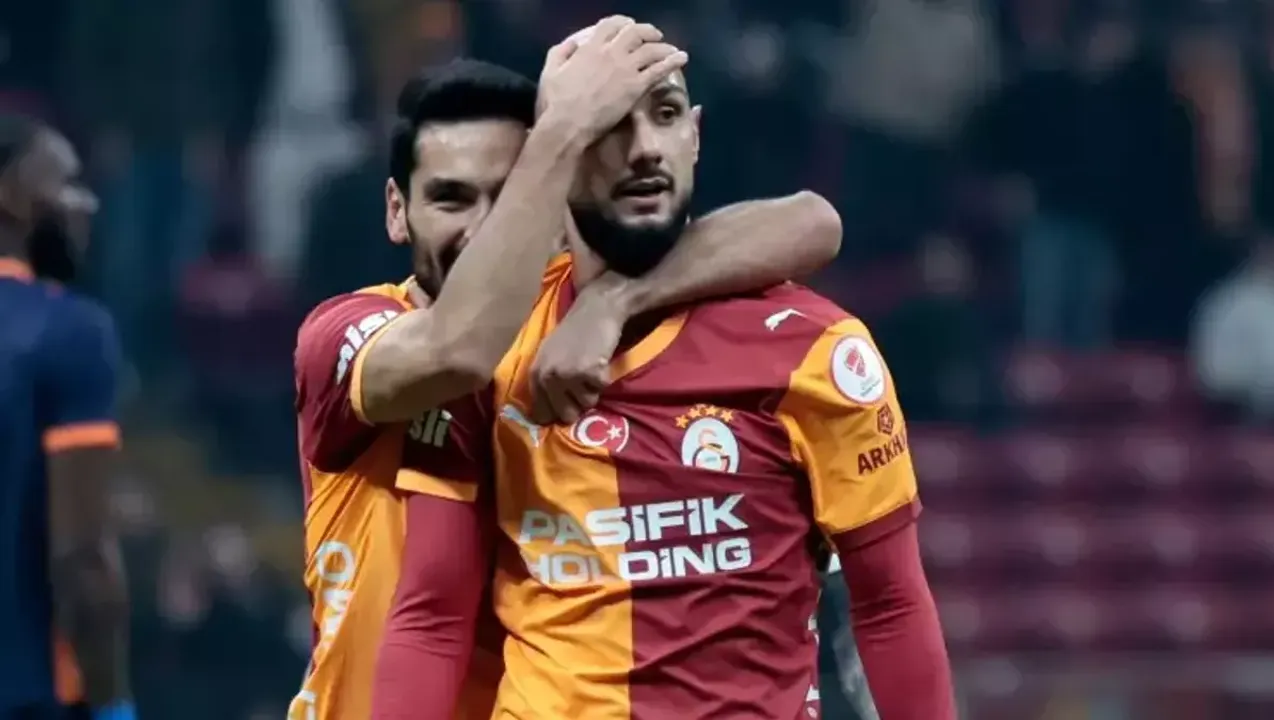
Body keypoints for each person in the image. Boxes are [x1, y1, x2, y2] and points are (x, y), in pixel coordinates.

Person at [372, 27, 955, 720]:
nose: (644, 147)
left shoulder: (814, 347)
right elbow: (432, 617)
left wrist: (613, 302)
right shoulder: (487, 350)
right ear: (552, 155)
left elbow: (890, 603)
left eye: (666, 114)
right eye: (608, 124)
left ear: (695, 137)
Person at [0, 114, 133, 720]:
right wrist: (114, 704)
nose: (86, 204)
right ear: (11, 193)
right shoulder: (67, 331)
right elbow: (81, 557)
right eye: (68, 183)